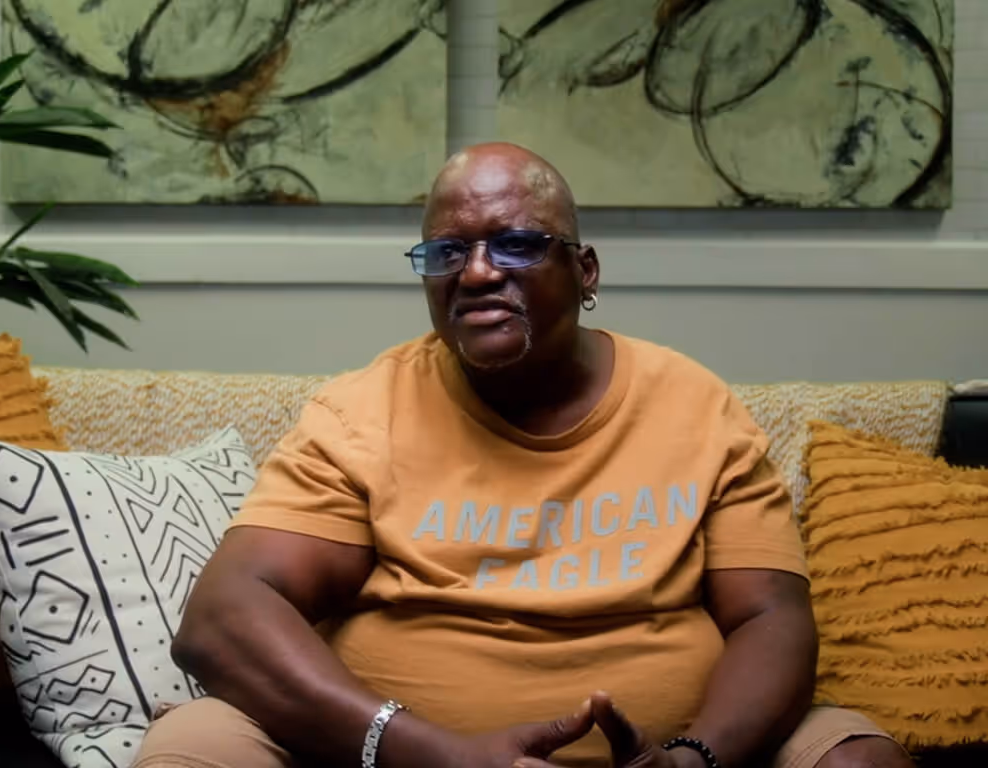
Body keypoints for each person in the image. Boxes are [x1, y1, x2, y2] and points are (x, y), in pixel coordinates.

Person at [133, 143, 914, 768]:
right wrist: (435, 753)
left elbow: (772, 619)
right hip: (394, 754)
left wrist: (691, 759)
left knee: (856, 756)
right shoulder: (364, 411)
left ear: (585, 271)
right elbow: (222, 619)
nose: (475, 272)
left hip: (678, 753)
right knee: (192, 748)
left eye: (514, 244)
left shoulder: (696, 405)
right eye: (446, 251)